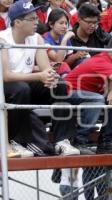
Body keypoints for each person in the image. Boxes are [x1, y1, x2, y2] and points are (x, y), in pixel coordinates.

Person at [2, 0, 80, 156]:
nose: (36, 22)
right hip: (6, 86)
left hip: (26, 83)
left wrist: (50, 77)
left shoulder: (37, 38)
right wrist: (40, 75)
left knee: (59, 85)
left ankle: (62, 141)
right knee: (21, 89)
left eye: (36, 18)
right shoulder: (3, 39)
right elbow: (6, 75)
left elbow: (46, 69)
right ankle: (15, 141)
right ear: (17, 22)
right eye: (32, 19)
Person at [70, 3, 111, 68]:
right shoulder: (70, 37)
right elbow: (63, 64)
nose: (92, 26)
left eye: (95, 22)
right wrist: (76, 56)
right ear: (79, 19)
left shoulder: (99, 34)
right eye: (89, 22)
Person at [43, 8, 77, 76]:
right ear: (51, 24)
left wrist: (78, 55)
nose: (64, 26)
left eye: (66, 23)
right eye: (61, 23)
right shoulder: (44, 39)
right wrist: (64, 40)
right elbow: (58, 60)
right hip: (49, 73)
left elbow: (67, 61)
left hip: (62, 70)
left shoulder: (64, 36)